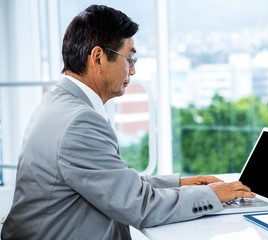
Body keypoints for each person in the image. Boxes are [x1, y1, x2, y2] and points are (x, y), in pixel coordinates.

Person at [1, 4, 255, 240]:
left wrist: (179, 183)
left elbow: (113, 182)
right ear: (98, 58)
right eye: (129, 59)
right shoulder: (80, 122)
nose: (132, 70)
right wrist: (212, 195)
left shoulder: (57, 103)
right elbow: (139, 205)